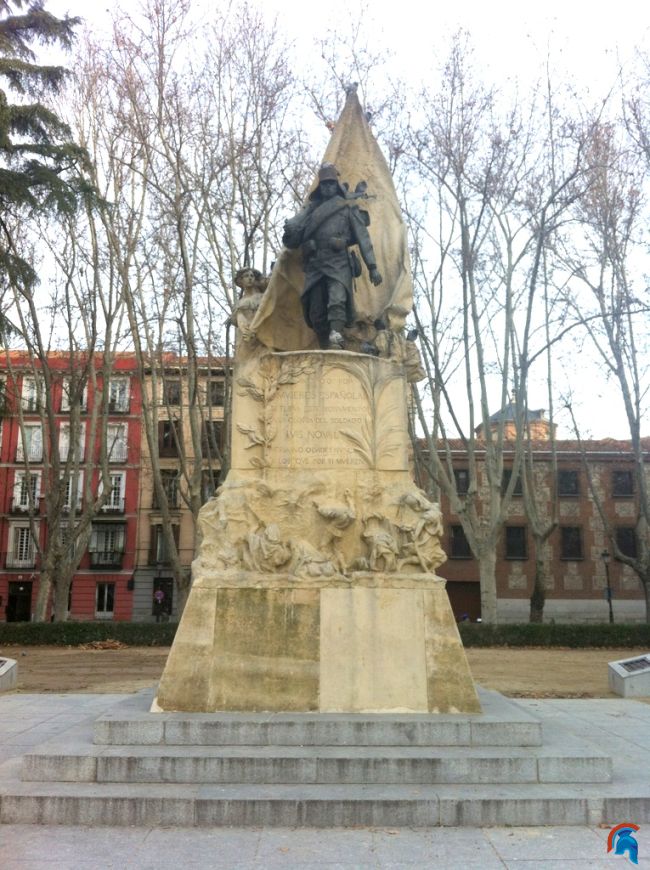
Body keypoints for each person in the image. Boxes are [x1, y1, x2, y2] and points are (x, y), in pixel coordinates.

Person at [282, 163, 383, 349]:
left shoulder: (346, 208)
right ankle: (324, 343)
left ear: (336, 185)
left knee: (337, 299)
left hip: (338, 264)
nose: (327, 187)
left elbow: (363, 237)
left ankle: (336, 335)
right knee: (316, 308)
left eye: (331, 184)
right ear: (320, 187)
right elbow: (293, 240)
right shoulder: (310, 211)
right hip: (315, 264)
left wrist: (372, 267)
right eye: (324, 184)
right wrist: (306, 243)